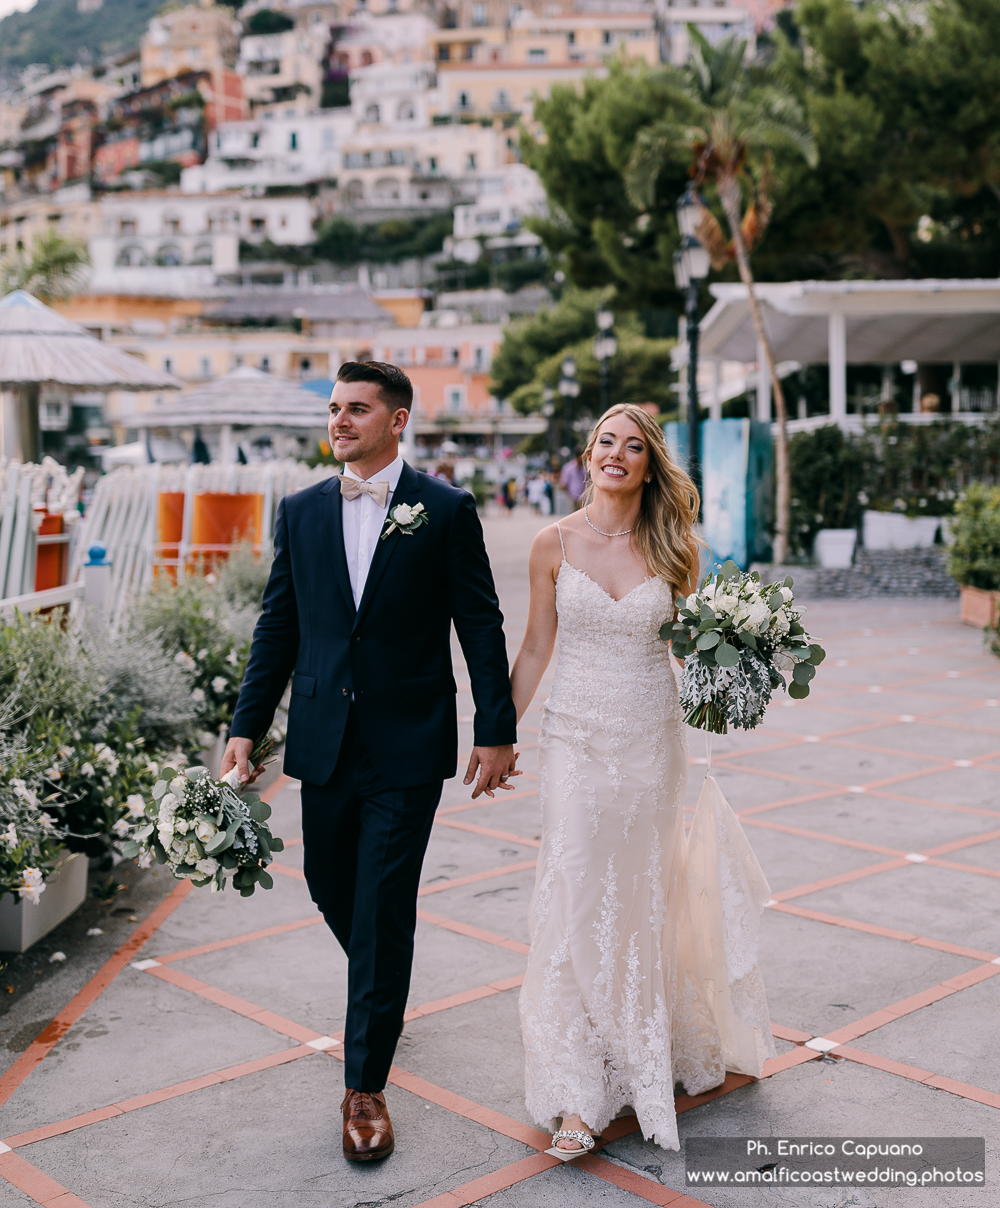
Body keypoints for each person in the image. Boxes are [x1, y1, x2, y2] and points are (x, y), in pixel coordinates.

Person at [223, 361, 518, 1164]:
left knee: (383, 896)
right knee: (330, 884)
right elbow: (276, 628)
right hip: (323, 739)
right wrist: (246, 727)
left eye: (357, 409)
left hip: (409, 740)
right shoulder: (302, 511)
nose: (340, 420)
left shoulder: (447, 510)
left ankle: (364, 1086)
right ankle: (380, 988)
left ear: (398, 421)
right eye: (334, 408)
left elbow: (480, 623)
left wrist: (497, 728)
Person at [510, 403, 774, 1157]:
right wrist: (495, 731)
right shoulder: (550, 542)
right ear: (587, 455)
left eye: (632, 447)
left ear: (649, 465)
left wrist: (743, 668)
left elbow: (694, 656)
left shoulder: (674, 549)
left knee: (640, 898)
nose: (616, 456)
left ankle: (635, 1048)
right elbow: (533, 649)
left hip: (652, 747)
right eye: (605, 443)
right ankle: (576, 1091)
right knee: (576, 892)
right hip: (575, 743)